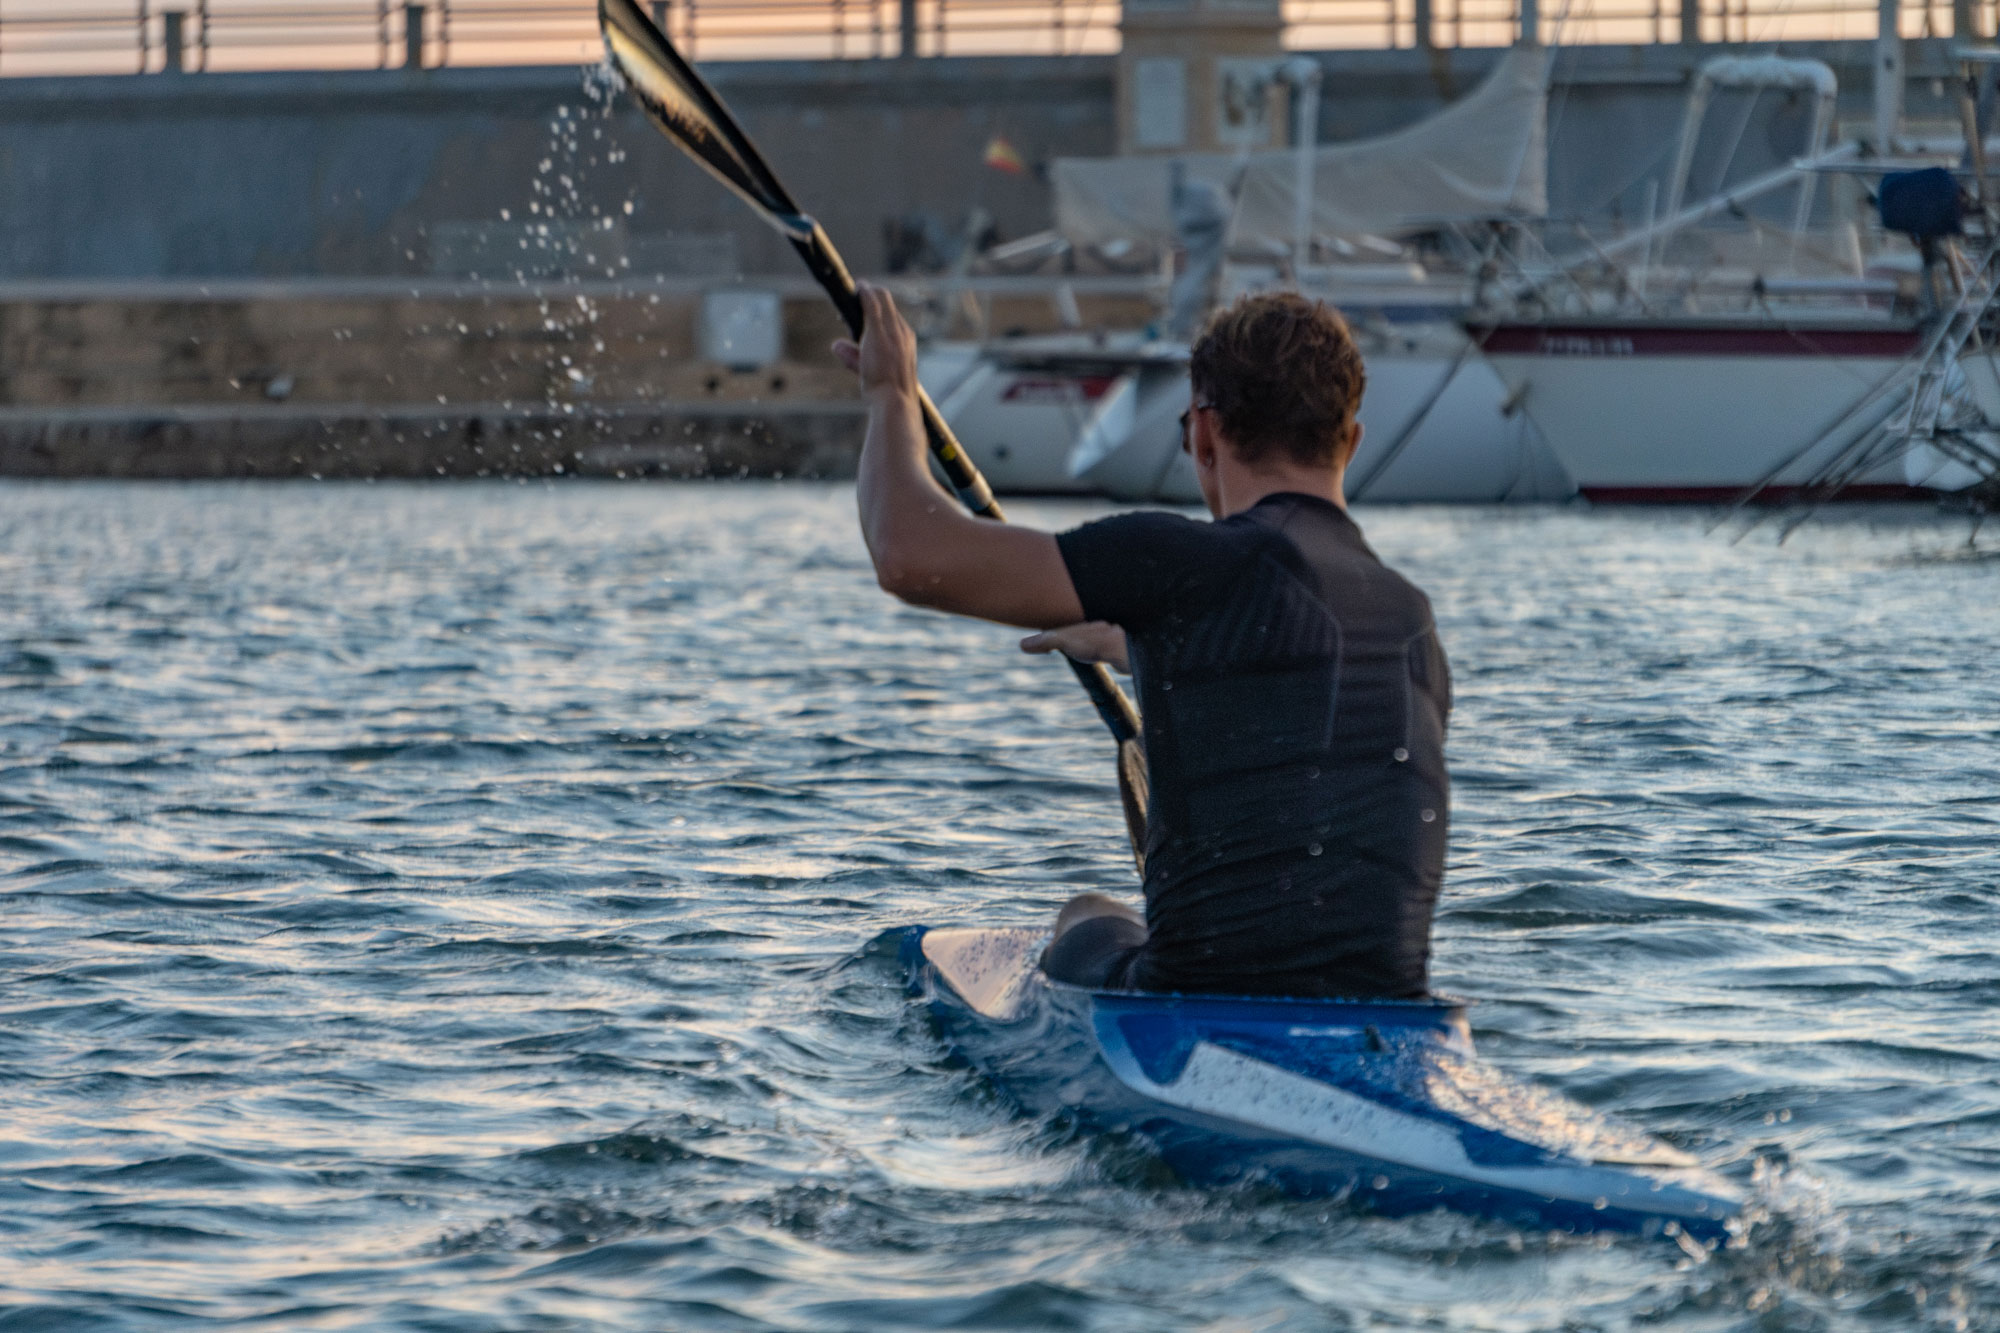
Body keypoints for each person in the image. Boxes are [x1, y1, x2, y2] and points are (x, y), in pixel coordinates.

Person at [832, 286, 1451, 999]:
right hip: (1393, 1011)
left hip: (1194, 1000)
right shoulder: (1410, 619)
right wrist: (1145, 644)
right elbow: (1305, 695)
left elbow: (909, 554)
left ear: (1204, 435)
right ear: (1351, 441)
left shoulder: (1177, 562)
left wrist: (888, 394)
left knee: (1088, 914)